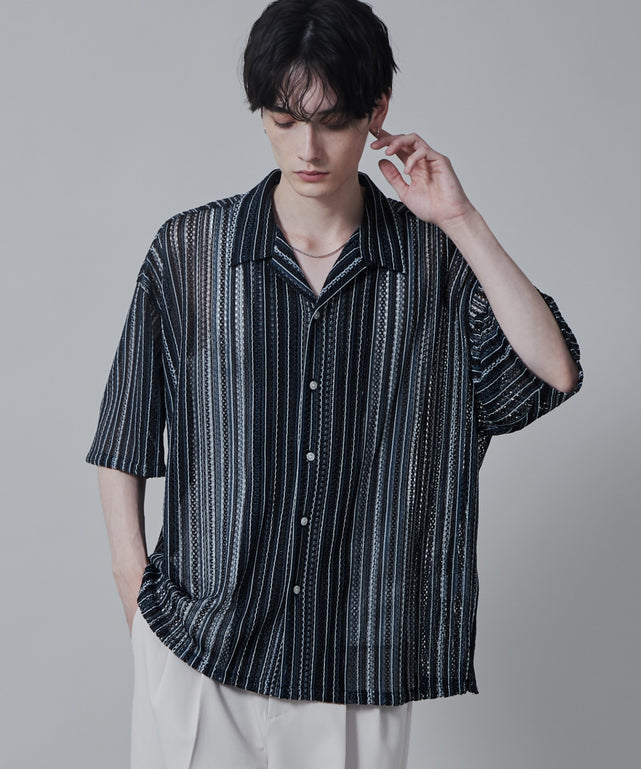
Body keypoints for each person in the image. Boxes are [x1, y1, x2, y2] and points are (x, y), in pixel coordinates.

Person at [86, 1, 582, 767]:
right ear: (260, 112)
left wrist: (458, 218)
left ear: (376, 111)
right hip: (198, 649)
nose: (307, 148)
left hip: (355, 663)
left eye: (333, 121)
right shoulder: (190, 253)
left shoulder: (431, 265)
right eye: (284, 120)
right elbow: (125, 431)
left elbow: (551, 370)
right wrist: (133, 587)